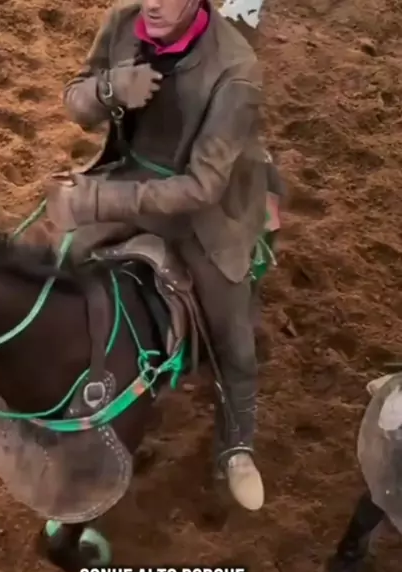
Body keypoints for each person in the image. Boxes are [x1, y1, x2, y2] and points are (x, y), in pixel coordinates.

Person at [45, 0, 267, 511]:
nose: (153, 3)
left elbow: (203, 186)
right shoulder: (123, 22)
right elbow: (75, 102)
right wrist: (109, 89)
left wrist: (97, 201)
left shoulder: (237, 69)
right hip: (129, 176)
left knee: (232, 335)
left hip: (204, 214)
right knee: (53, 268)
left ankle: (237, 443)